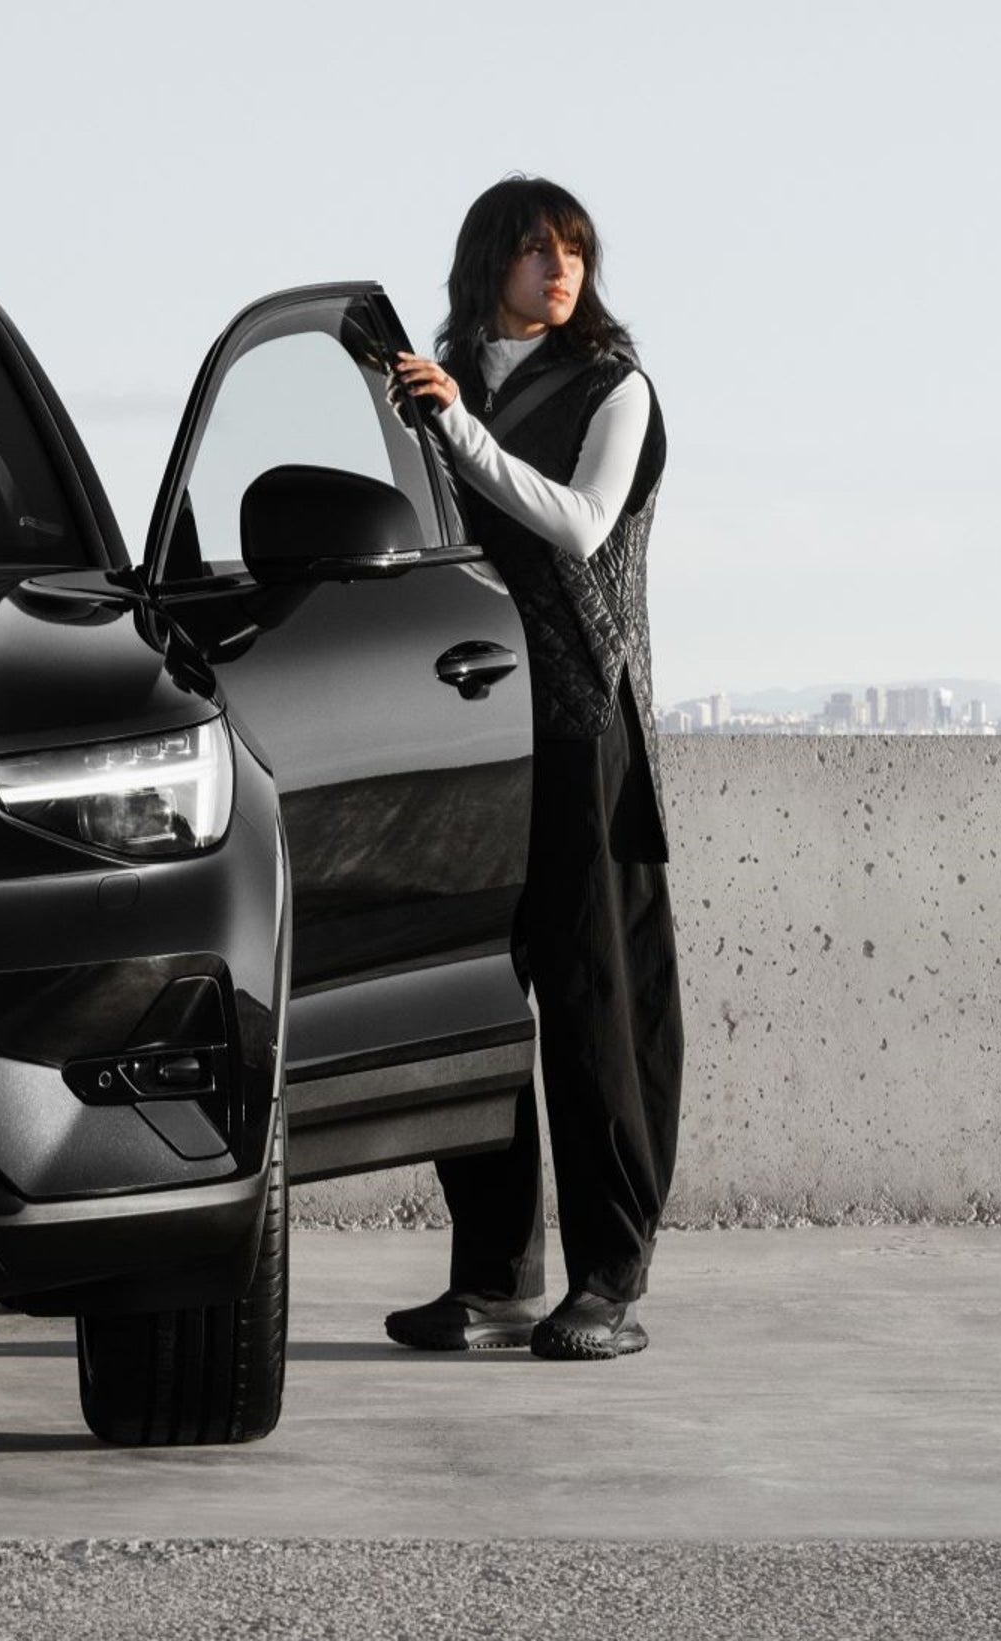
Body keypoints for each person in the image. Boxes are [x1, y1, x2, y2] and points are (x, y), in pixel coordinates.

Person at [376, 175, 682, 1361]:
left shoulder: (619, 388)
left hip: (583, 726)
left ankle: (611, 1278)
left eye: (575, 251)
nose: (559, 268)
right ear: (487, 263)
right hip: (471, 728)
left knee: (599, 1009)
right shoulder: (432, 387)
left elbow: (579, 524)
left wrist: (457, 428)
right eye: (536, 249)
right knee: (479, 998)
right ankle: (495, 1274)